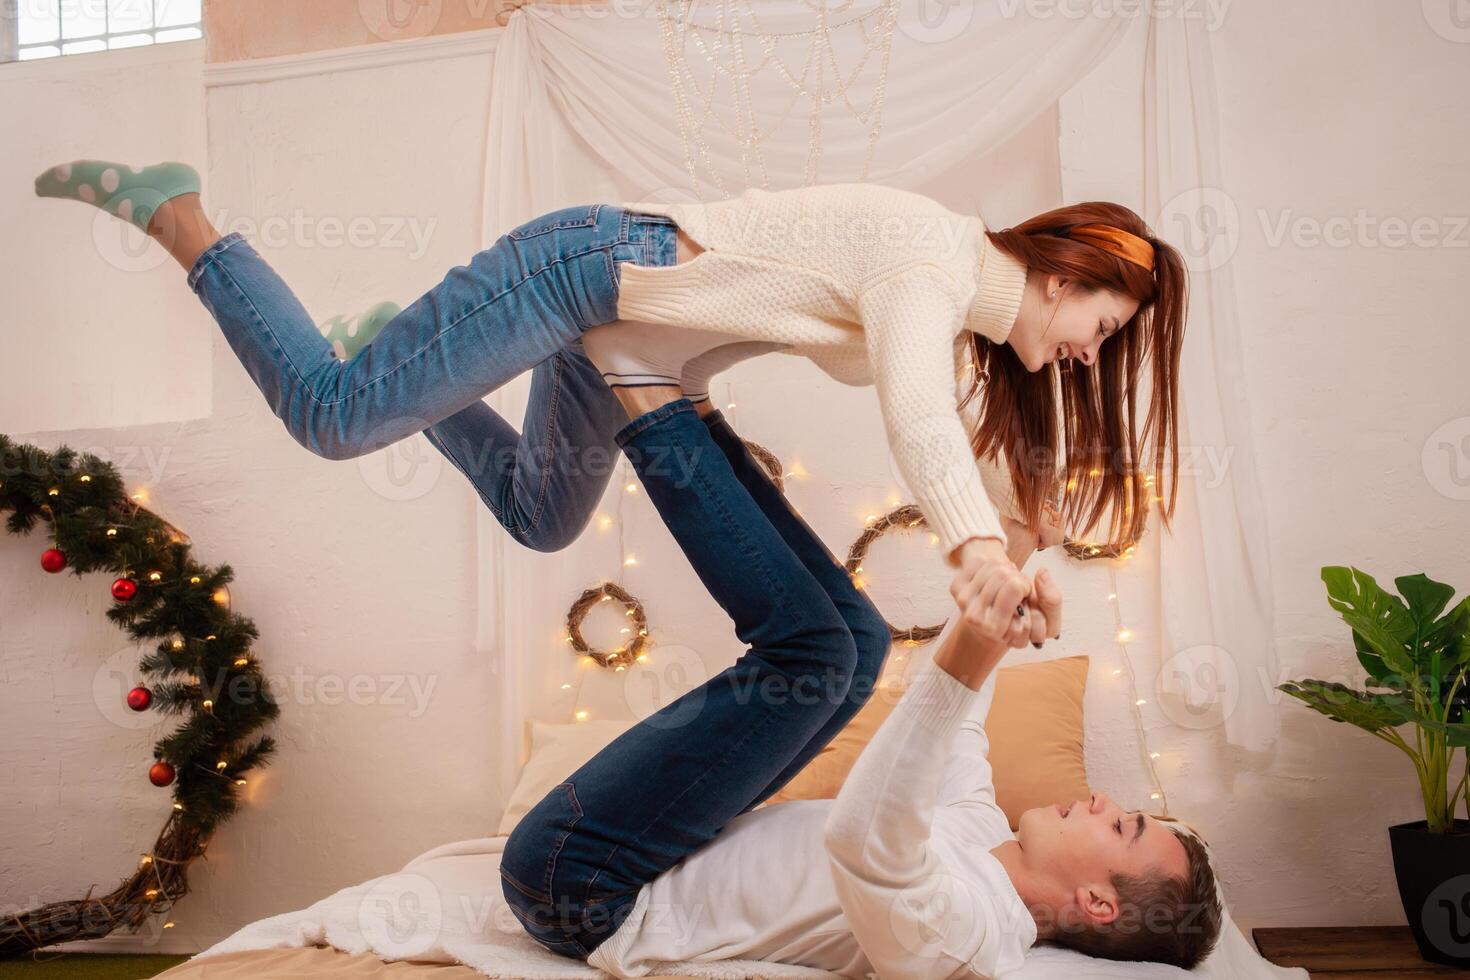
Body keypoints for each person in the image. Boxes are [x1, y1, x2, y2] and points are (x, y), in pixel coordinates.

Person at [33, 159, 1185, 642]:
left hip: (619, 350)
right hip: (581, 272)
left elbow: (969, 442)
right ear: (1063, 274)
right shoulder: (928, 262)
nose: (1090, 356)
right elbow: (919, 425)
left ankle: (392, 351)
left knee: (543, 514)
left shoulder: (962, 323)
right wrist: (975, 545)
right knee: (337, 417)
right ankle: (183, 220)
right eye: (1102, 330)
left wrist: (1018, 558)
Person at [496, 387, 1222, 977]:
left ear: (1096, 902)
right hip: (649, 849)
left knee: (816, 659)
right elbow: (957, 724)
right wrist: (1018, 547)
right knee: (861, 644)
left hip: (586, 886)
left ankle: (648, 403)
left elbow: (865, 838)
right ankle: (684, 403)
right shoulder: (982, 832)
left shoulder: (963, 940)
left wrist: (978, 643)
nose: (1102, 802)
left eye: (1121, 825)